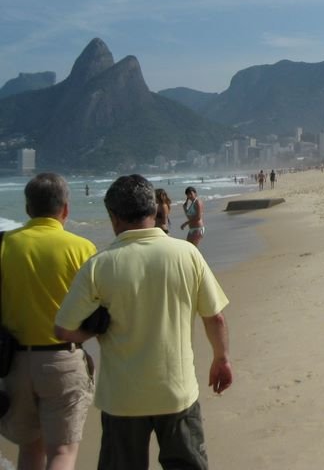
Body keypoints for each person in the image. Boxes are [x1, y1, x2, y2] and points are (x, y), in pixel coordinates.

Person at [54, 174, 232, 470]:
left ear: (113, 217)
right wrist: (221, 359)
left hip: (122, 399)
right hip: (177, 392)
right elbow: (215, 316)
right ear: (154, 208)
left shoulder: (98, 265)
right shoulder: (186, 254)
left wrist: (94, 327)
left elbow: (64, 330)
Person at [1, 172, 97, 470]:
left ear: (28, 208)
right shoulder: (82, 248)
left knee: (30, 450)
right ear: (65, 209)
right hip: (62, 358)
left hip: (14, 362)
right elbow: (98, 312)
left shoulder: (5, 244)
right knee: (62, 452)